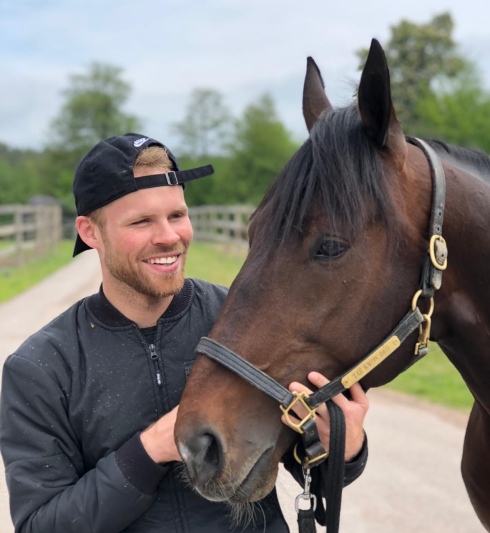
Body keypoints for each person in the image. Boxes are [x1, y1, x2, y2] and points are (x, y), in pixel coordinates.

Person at [0, 133, 369, 533]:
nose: (170, 237)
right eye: (141, 221)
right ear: (90, 233)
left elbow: (308, 466)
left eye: (177, 215)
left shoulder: (245, 321)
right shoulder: (41, 368)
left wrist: (342, 450)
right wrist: (149, 450)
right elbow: (41, 525)